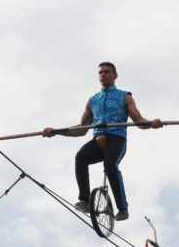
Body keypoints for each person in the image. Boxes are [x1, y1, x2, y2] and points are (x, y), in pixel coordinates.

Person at [43, 62, 162, 221]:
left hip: (117, 139)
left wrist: (151, 123)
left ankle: (122, 208)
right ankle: (85, 200)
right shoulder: (92, 100)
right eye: (100, 72)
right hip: (98, 140)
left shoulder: (125, 96)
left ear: (115, 75)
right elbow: (82, 129)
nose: (103, 74)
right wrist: (56, 132)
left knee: (110, 164)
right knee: (81, 157)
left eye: (107, 72)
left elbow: (138, 121)